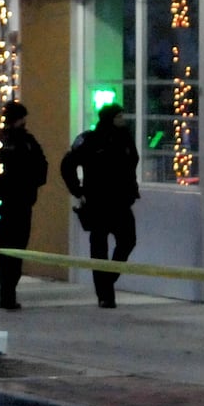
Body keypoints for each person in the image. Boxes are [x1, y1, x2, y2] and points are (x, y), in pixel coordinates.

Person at [59, 103, 140, 308]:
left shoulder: (125, 138)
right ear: (110, 118)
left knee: (128, 241)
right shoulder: (90, 140)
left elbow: (132, 164)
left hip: (121, 202)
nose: (123, 119)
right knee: (99, 249)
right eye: (119, 116)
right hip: (98, 202)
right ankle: (105, 295)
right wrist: (78, 191)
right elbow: (68, 164)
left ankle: (107, 279)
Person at [0, 100, 48, 310]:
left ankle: (8, 292)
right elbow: (41, 167)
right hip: (17, 203)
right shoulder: (24, 142)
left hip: (6, 203)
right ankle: (8, 292)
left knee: (8, 249)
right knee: (16, 248)